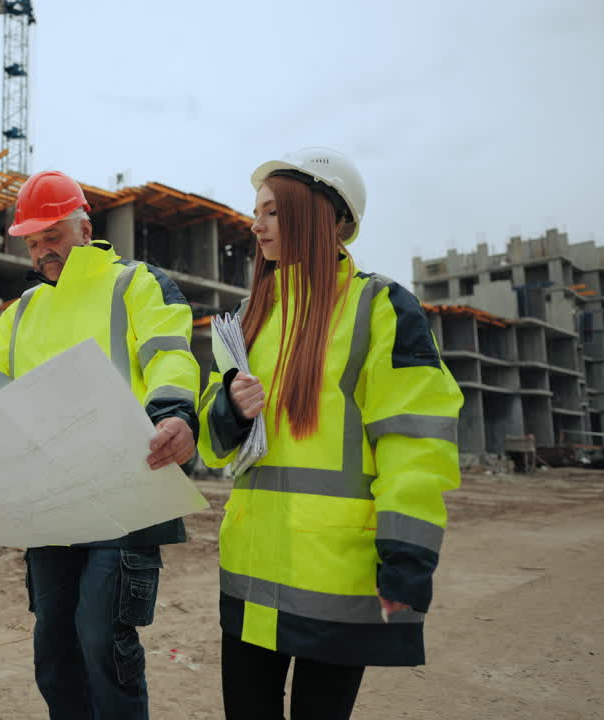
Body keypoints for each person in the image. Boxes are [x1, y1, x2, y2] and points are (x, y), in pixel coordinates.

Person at [197, 148, 464, 719]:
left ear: (324, 216)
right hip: (248, 577)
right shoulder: (250, 318)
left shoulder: (380, 308)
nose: (255, 224)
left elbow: (414, 442)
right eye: (256, 211)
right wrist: (228, 412)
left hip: (335, 582)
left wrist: (406, 560)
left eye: (272, 211)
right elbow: (211, 446)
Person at [0, 170, 200, 718]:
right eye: (31, 242)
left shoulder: (135, 284)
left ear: (84, 227)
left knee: (102, 638)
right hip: (50, 503)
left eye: (51, 236)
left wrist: (173, 412)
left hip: (125, 494)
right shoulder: (23, 311)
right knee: (54, 651)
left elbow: (169, 353)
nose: (41, 251)